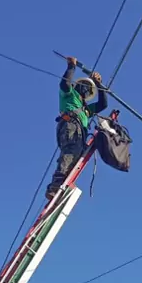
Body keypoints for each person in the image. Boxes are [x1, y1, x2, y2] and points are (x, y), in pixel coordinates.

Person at [45, 57, 108, 200]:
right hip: (70, 125)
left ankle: (62, 186)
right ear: (77, 85)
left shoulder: (86, 109)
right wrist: (71, 67)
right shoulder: (69, 94)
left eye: (89, 88)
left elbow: (103, 104)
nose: (86, 88)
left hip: (80, 132)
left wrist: (99, 84)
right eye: (84, 85)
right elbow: (65, 84)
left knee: (75, 156)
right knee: (70, 151)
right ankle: (56, 185)